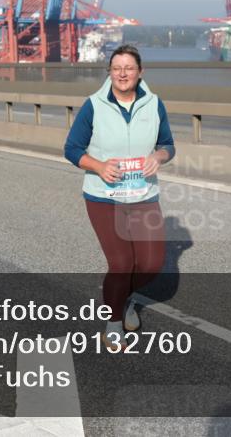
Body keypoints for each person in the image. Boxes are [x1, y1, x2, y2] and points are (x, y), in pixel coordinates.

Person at [63, 45, 175, 351]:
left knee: (152, 265)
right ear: (109, 72)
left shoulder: (154, 104)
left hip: (143, 195)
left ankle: (122, 297)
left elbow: (167, 143)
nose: (122, 73)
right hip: (103, 197)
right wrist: (98, 166)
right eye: (116, 68)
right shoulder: (94, 106)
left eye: (128, 68)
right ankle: (113, 322)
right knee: (122, 263)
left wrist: (159, 156)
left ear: (140, 72)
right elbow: (71, 149)